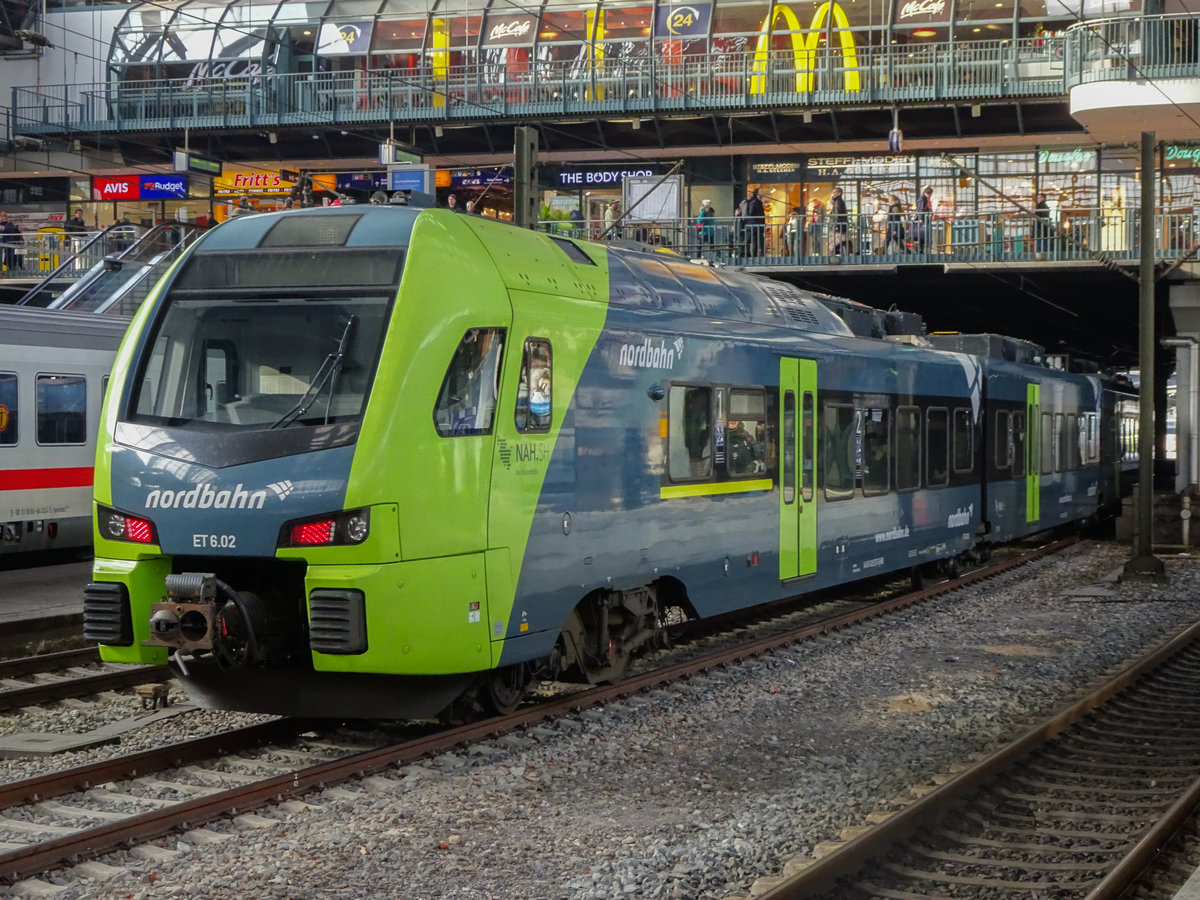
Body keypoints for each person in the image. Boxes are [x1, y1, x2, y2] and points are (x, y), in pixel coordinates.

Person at [741, 187, 765, 257]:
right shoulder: (755, 202)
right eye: (761, 191)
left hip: (754, 224)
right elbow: (751, 213)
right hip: (755, 224)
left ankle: (754, 255)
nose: (763, 193)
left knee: (755, 240)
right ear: (757, 193)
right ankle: (754, 256)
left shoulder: (754, 201)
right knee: (756, 240)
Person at [1101, 185, 1126, 252]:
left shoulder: (1122, 207)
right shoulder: (1109, 205)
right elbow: (1107, 218)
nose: (1113, 195)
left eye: (1115, 193)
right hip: (1111, 228)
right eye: (1112, 194)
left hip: (1119, 229)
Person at [829, 186, 849, 257]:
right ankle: (845, 255)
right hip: (841, 225)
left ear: (839, 193)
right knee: (842, 241)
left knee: (835, 242)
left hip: (838, 225)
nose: (833, 194)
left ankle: (832, 257)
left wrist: (836, 225)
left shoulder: (837, 202)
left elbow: (837, 214)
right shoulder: (839, 201)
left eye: (834, 192)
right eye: (833, 192)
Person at [914, 185, 934, 253]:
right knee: (921, 235)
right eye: (930, 194)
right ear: (928, 193)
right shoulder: (922, 199)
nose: (930, 196)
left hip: (923, 220)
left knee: (922, 236)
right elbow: (920, 210)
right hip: (921, 221)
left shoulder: (924, 199)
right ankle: (919, 250)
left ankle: (920, 250)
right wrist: (920, 219)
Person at [1034, 192, 1052, 258]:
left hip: (1041, 229)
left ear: (1042, 198)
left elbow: (1039, 216)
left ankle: (1042, 257)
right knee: (1043, 243)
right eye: (1037, 198)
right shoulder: (1043, 206)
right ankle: (1043, 256)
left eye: (1038, 198)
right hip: (1042, 229)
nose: (1037, 199)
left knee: (1041, 244)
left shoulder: (1042, 206)